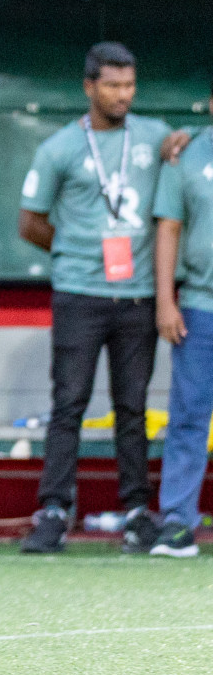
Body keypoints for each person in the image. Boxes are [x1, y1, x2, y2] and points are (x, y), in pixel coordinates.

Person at [17, 42, 188, 554]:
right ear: (89, 86)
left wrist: (181, 140)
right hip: (79, 294)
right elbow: (30, 223)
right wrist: (74, 252)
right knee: (68, 404)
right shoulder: (59, 149)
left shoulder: (154, 135)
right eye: (112, 85)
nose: (122, 95)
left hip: (137, 296)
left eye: (130, 85)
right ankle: (53, 511)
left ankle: (136, 511)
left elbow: (182, 146)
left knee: (132, 407)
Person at [150, 98, 213, 558]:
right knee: (189, 417)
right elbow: (169, 228)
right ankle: (177, 522)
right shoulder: (185, 154)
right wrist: (166, 300)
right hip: (200, 304)